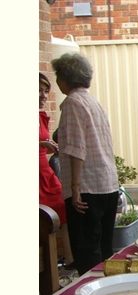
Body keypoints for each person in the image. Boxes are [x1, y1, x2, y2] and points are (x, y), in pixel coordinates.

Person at [52, 53, 120, 275]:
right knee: (104, 249)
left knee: (87, 252)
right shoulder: (93, 102)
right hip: (107, 184)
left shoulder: (72, 102)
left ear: (65, 77)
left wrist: (75, 188)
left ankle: (90, 293)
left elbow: (76, 148)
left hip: (87, 188)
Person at [39, 72, 73, 266]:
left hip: (45, 173)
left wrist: (48, 145)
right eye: (38, 90)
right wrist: (40, 144)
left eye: (46, 91)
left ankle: (70, 260)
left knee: (64, 210)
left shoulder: (40, 116)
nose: (43, 95)